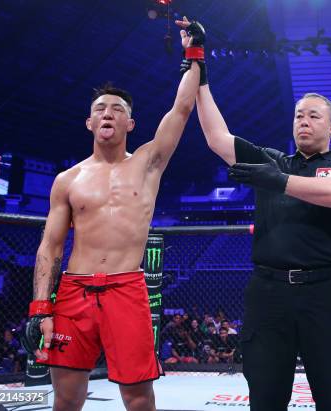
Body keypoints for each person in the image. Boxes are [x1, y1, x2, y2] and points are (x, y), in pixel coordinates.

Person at [21, 18, 205, 411]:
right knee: (67, 398)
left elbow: (182, 107)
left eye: (117, 109)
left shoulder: (148, 163)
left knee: (138, 399)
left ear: (130, 123)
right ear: (90, 122)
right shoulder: (67, 180)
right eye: (100, 108)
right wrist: (41, 308)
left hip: (127, 289)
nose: (108, 113)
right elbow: (50, 246)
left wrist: (195, 54)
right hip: (73, 293)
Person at [192, 42, 331, 408]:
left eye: (313, 116)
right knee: (266, 396)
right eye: (299, 115)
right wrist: (200, 75)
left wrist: (278, 181)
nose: (304, 121)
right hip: (269, 291)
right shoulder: (273, 159)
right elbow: (217, 138)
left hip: (324, 291)